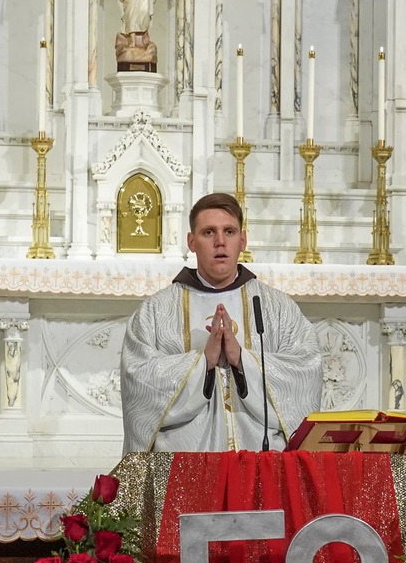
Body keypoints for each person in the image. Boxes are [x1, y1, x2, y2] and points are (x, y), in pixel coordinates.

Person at [120, 193, 322, 453]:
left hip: (260, 456)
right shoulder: (156, 311)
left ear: (243, 240)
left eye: (229, 231)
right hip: (184, 457)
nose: (220, 242)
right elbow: (137, 380)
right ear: (191, 242)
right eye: (208, 232)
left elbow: (306, 371)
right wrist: (203, 361)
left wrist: (242, 360)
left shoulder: (276, 307)